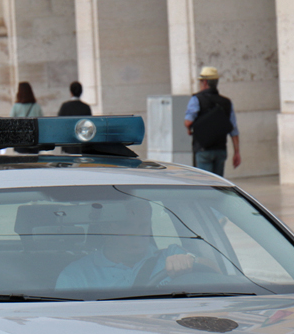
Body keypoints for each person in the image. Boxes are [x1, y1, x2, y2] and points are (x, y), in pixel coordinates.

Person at [55, 199, 202, 292]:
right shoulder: (77, 276)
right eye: (126, 225)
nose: (136, 233)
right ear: (105, 229)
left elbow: (216, 274)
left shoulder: (170, 255)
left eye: (143, 225)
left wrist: (190, 260)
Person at [184, 66, 240, 176]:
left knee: (205, 184)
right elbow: (233, 129)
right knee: (218, 185)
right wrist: (237, 152)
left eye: (200, 82)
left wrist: (189, 129)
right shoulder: (226, 102)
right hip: (220, 149)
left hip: (203, 149)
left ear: (205, 82)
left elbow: (188, 122)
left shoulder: (196, 99)